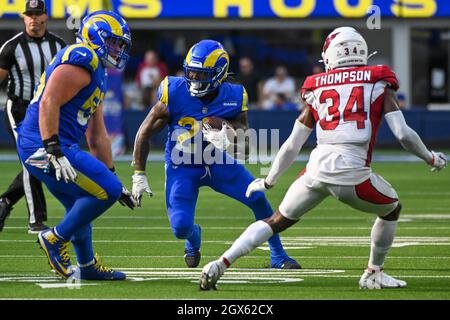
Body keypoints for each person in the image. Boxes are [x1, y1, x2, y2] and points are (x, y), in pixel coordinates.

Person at [199, 27, 447, 290]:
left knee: (276, 221)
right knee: (392, 209)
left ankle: (221, 263)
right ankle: (373, 273)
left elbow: (293, 143)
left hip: (315, 171)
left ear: (331, 55)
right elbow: (403, 134)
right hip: (353, 174)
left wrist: (269, 181)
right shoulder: (378, 80)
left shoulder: (318, 86)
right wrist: (430, 158)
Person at [131, 39, 300, 270]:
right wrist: (138, 173)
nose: (193, 79)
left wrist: (229, 138)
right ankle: (194, 237)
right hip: (183, 167)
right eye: (191, 72)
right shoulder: (174, 91)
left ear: (218, 74)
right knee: (180, 227)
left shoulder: (234, 95)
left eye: (201, 75)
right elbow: (145, 131)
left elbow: (246, 147)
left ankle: (278, 255)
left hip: (218, 162)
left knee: (258, 197)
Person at [16, 11, 136, 280]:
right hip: (43, 143)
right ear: (96, 37)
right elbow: (49, 101)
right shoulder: (84, 57)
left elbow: (97, 134)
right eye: (114, 42)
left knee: (81, 204)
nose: (118, 49)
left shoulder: (98, 71)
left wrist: (112, 174)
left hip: (51, 142)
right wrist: (52, 147)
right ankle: (56, 238)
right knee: (105, 192)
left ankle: (87, 265)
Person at [0, 0, 66, 233]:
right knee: (31, 161)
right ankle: (35, 220)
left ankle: (5, 201)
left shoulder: (59, 46)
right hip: (18, 110)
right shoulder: (11, 47)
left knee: (40, 159)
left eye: (38, 14)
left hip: (45, 112)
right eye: (30, 14)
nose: (34, 18)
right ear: (23, 17)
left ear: (46, 17)